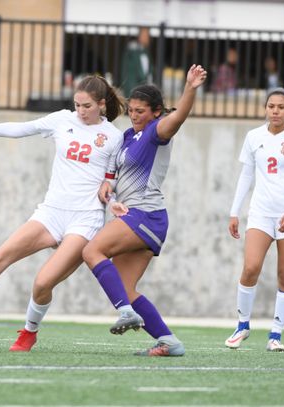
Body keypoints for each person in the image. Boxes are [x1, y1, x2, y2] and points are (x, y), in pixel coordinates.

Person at [0, 75, 125, 352]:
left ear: (102, 105)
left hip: (85, 219)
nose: (80, 111)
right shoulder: (61, 120)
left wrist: (112, 194)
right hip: (51, 212)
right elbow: (21, 128)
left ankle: (29, 332)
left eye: (87, 106)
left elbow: (113, 178)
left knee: (42, 283)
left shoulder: (115, 138)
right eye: (77, 105)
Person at [82, 64, 208, 357]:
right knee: (126, 289)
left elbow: (179, 117)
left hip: (146, 215)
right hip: (136, 217)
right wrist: (107, 187)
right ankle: (170, 342)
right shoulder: (128, 136)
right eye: (132, 110)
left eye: (141, 111)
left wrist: (190, 88)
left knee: (91, 251)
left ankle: (125, 313)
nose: (135, 116)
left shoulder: (156, 131)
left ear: (155, 112)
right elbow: (114, 174)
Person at [224, 87, 284, 352]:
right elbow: (246, 175)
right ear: (265, 108)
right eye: (271, 106)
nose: (275, 111)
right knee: (251, 267)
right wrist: (234, 211)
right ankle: (242, 326)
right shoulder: (254, 137)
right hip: (260, 213)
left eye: (281, 107)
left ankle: (275, 334)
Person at [120, 27, 153, 97]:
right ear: (139, 36)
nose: (147, 38)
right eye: (144, 35)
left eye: (148, 36)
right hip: (133, 87)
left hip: (143, 88)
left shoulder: (146, 52)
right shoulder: (132, 50)